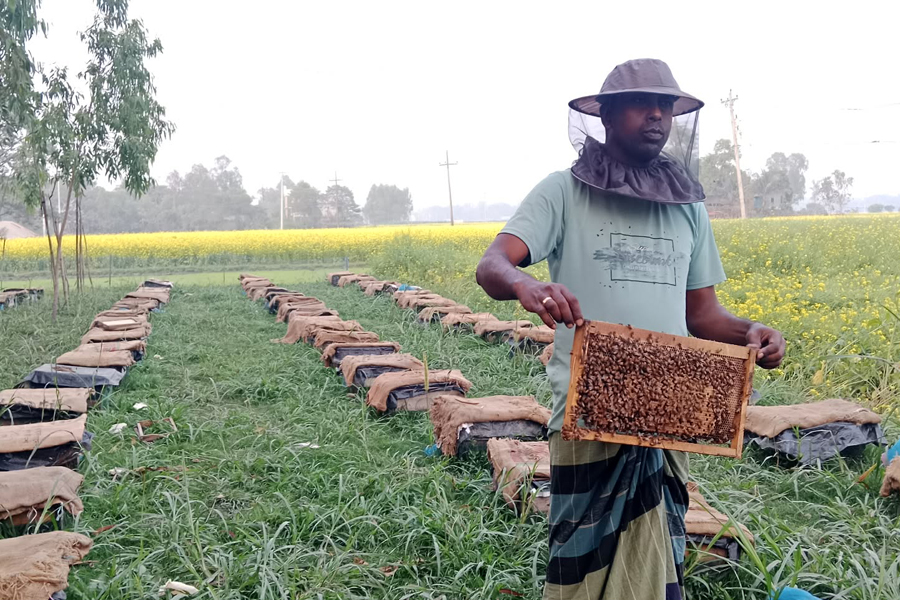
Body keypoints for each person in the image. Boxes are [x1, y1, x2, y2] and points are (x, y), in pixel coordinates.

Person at [476, 58, 786, 600]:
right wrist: (525, 287)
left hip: (669, 417)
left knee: (658, 560)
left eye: (666, 107)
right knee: (582, 570)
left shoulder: (687, 207)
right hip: (586, 411)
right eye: (645, 104)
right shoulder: (563, 192)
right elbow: (493, 265)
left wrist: (752, 332)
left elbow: (703, 317)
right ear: (607, 115)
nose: (658, 117)